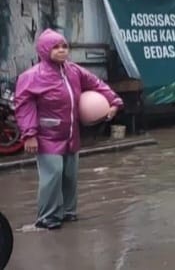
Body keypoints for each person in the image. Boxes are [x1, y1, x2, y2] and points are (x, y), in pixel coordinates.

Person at [15, 29, 122, 230]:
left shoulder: (73, 71)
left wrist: (114, 101)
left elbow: (97, 84)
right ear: (44, 50)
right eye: (56, 47)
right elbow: (24, 106)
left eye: (64, 46)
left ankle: (68, 212)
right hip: (47, 135)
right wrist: (29, 134)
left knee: (70, 175)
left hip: (71, 133)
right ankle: (47, 217)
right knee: (52, 174)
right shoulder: (32, 76)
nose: (62, 50)